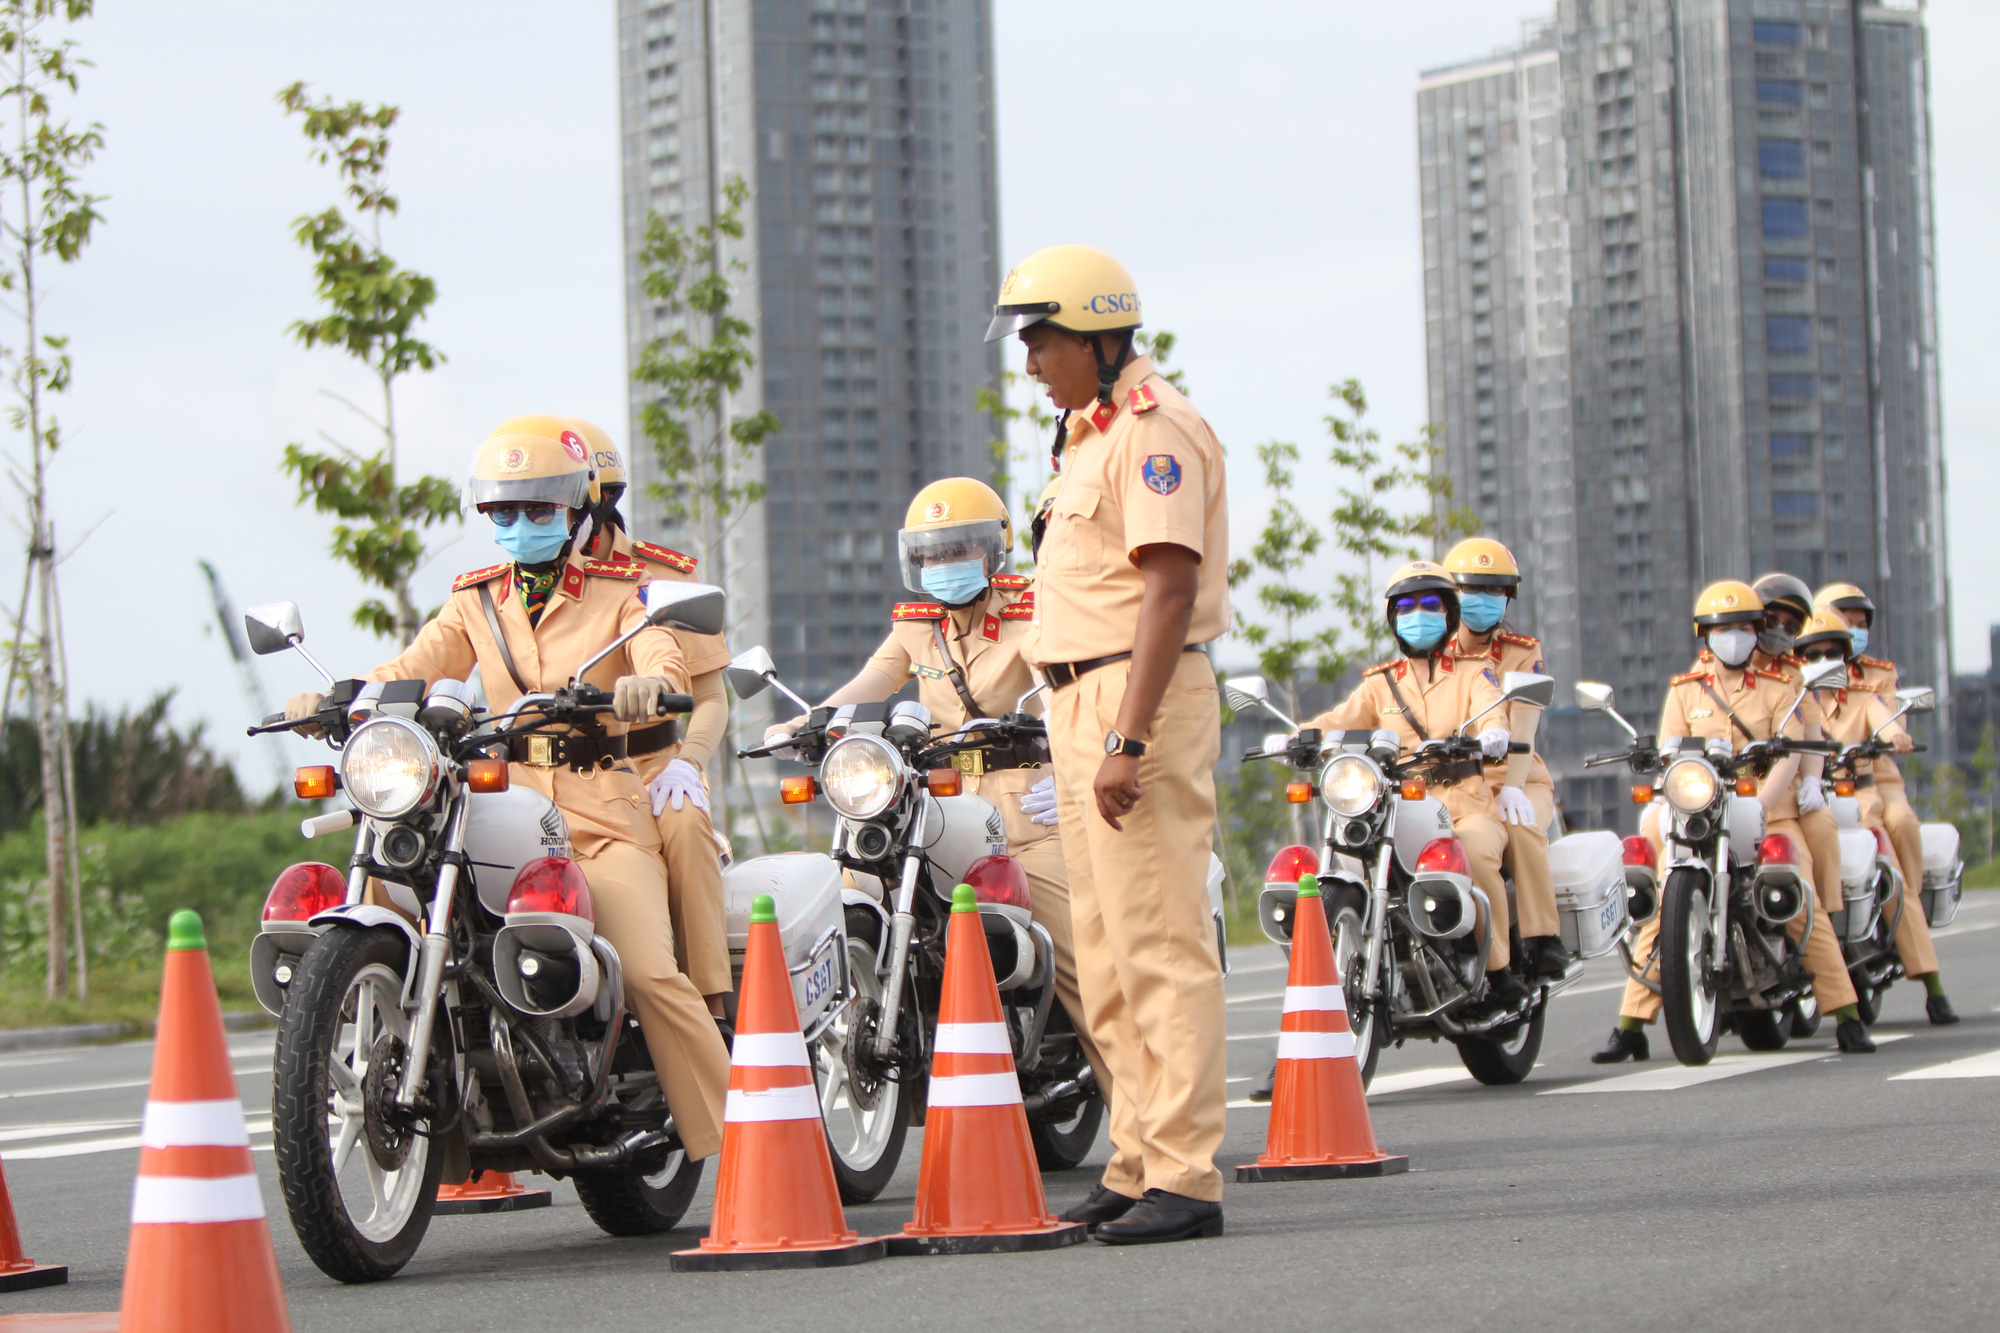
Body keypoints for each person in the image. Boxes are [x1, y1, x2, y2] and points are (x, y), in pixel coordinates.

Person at [284, 420, 732, 1160]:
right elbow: (416, 664)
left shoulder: (626, 593)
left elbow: (658, 649)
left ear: (580, 510)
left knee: (651, 973)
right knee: (406, 894)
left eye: (538, 511)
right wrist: (340, 696)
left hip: (600, 820)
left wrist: (654, 681)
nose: (519, 526)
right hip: (497, 814)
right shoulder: (474, 601)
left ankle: (746, 1141)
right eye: (503, 513)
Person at [762, 477, 1118, 1164]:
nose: (944, 564)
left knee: (1082, 961)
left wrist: (1065, 764)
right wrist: (810, 719)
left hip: (1026, 804)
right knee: (856, 889)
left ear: (995, 551)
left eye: (960, 548)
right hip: (934, 803)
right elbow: (874, 679)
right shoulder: (915, 622)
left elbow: (1070, 694)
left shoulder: (1035, 611)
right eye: (930, 552)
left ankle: (1145, 1127)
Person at [989, 243, 1229, 1244]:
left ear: (1096, 333)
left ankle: (1184, 1173)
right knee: (1107, 947)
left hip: (1139, 698)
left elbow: (1166, 587)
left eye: (1042, 336)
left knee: (1162, 940)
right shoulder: (1081, 441)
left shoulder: (1150, 429)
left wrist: (1127, 735)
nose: (1030, 357)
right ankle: (1134, 1158)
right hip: (1076, 702)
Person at [1591, 581, 1870, 1064]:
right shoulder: (1686, 691)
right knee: (1665, 902)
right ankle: (1631, 1026)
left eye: (1743, 627)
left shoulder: (1784, 687)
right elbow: (1670, 749)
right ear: (1705, 634)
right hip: (1701, 813)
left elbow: (1787, 753)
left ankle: (1846, 1014)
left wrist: (1762, 802)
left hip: (1770, 814)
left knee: (1797, 894)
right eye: (1723, 629)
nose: (1733, 637)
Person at [560, 415, 736, 1027]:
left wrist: (687, 764)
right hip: (564, 766)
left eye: (553, 505)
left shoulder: (662, 576)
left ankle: (710, 1002)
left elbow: (712, 698)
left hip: (656, 760)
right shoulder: (526, 585)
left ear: (598, 504)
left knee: (685, 827)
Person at [1306, 561, 1520, 996]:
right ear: (1392, 618)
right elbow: (1339, 720)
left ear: (1449, 614)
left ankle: (1499, 973)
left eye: (1428, 605)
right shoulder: (1379, 685)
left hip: (1464, 803)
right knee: (1347, 854)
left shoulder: (1473, 672)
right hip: (1396, 805)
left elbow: (1491, 704)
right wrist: (1299, 736)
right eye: (1405, 606)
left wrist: (1494, 731)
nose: (1416, 615)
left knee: (1476, 855)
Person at [1795, 610, 1957, 1023]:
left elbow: (1884, 723)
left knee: (1888, 859)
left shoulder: (1864, 694)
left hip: (1860, 796)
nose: (1822, 660)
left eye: (1833, 652)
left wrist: (1895, 736)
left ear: (1847, 655)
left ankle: (1932, 984)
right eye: (1812, 654)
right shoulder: (1791, 698)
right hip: (1806, 801)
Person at [1444, 536, 1567, 978]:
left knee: (1522, 824)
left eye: (1495, 591)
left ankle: (1542, 937)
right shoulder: (1433, 656)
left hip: (1518, 777)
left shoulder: (1522, 650)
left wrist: (1513, 784)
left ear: (1507, 598)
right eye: (1472, 590)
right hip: (1458, 782)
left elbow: (1525, 728)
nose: (1483, 600)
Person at [1749, 572, 1843, 934]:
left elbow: (1810, 738)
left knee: (1819, 830)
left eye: (1790, 626)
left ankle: (1828, 926)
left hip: (1779, 796)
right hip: (1716, 794)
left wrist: (1812, 784)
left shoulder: (1796, 677)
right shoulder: (1706, 673)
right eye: (1772, 620)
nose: (1778, 630)